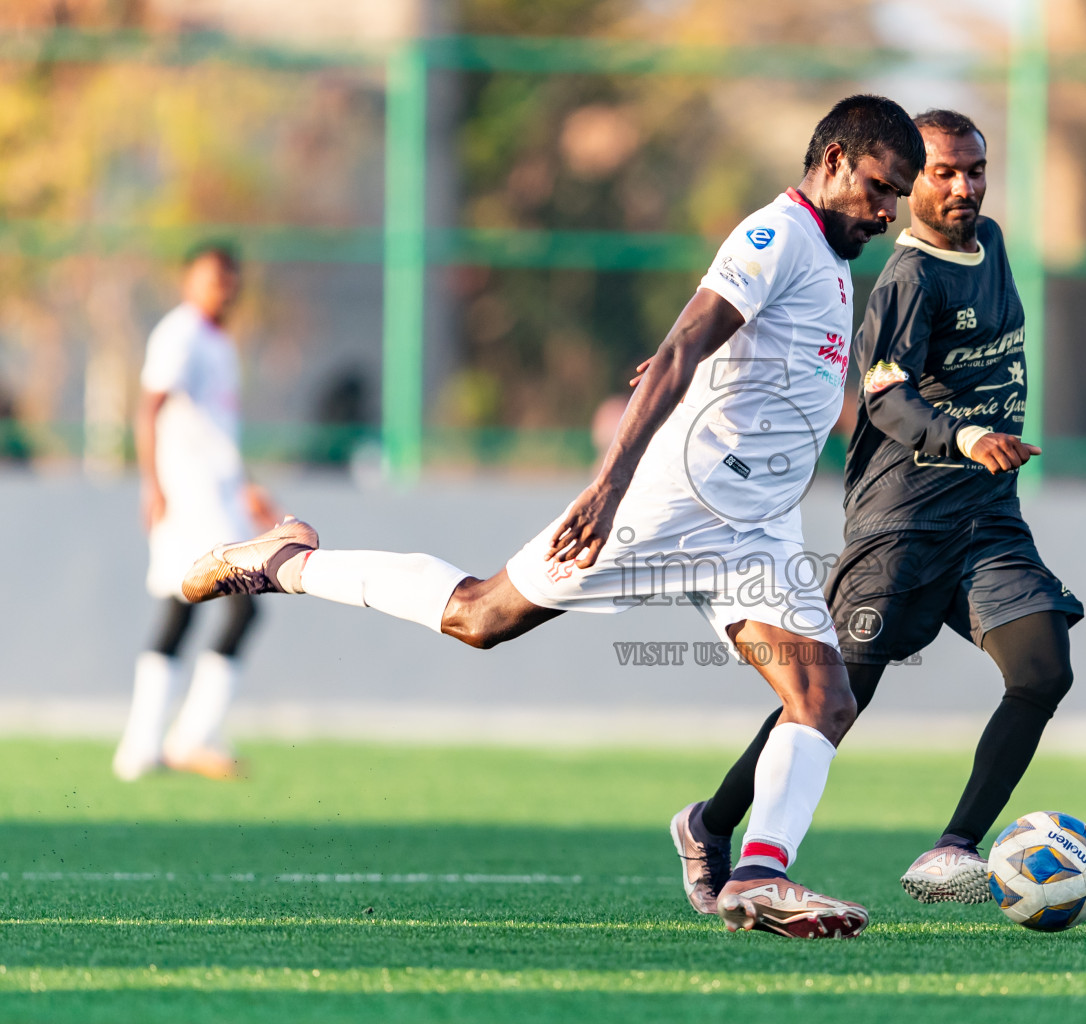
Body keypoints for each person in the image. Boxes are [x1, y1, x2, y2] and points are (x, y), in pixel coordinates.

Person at [179, 95, 924, 940]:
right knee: (480, 616)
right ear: (831, 162)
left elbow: (751, 364)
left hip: (753, 531)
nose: (886, 208)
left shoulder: (830, 257)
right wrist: (609, 489)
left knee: (824, 698)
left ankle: (757, 874)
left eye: (896, 195)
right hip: (672, 504)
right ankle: (286, 561)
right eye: (877, 186)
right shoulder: (778, 234)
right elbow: (681, 348)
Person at [670, 109, 1084, 912]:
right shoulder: (908, 280)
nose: (965, 187)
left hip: (988, 520)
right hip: (902, 524)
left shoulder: (990, 243)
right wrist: (963, 435)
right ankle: (711, 823)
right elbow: (884, 400)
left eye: (976, 169)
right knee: (828, 703)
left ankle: (954, 848)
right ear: (910, 182)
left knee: (1043, 669)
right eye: (944, 174)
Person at [114, 242, 281, 782]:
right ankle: (182, 737)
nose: (222, 287)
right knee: (234, 604)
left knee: (190, 610)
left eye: (229, 279)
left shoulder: (218, 341)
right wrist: (153, 485)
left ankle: (150, 746)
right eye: (212, 278)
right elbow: (149, 409)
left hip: (219, 495)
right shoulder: (180, 333)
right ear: (188, 280)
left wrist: (246, 484)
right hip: (191, 501)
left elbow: (212, 431)